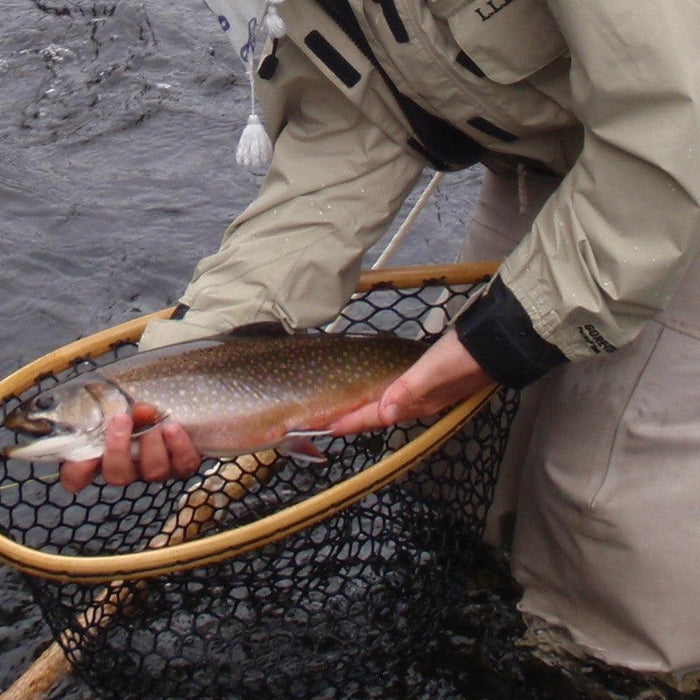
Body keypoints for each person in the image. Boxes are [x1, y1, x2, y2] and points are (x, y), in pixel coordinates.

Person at [60, 0, 700, 688]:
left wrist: (505, 336)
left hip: (673, 143)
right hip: (556, 148)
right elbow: (348, 128)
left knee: (599, 529)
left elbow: (673, 124)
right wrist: (194, 359)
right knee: (456, 459)